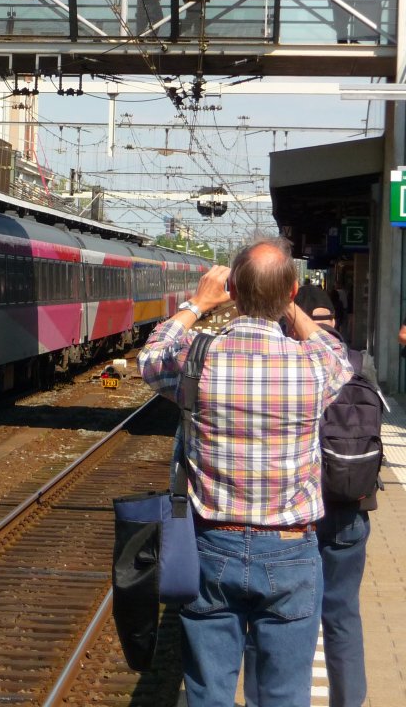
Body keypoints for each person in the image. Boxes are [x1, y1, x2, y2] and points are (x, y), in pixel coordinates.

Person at [138, 238, 353, 707]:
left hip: (213, 545)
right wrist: (287, 304)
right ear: (293, 293)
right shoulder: (315, 366)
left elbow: (150, 357)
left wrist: (197, 303)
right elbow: (340, 357)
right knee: (284, 694)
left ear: (232, 289)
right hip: (292, 552)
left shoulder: (197, 358)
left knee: (209, 693)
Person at [242, 284, 379, 707]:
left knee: (270, 617)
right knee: (342, 616)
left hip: (293, 513)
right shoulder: (359, 363)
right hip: (350, 508)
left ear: (292, 318)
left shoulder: (289, 361)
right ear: (334, 320)